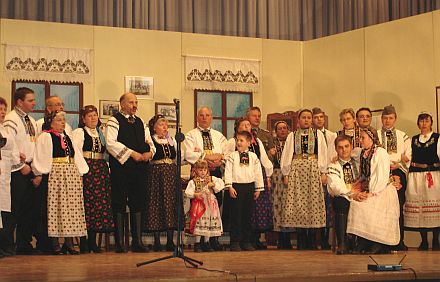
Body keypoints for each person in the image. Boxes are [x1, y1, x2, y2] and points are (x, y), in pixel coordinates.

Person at [31, 111, 89, 255]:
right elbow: (41, 156)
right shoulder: (46, 136)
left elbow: (75, 155)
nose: (62, 122)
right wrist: (40, 172)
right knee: (56, 207)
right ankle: (55, 243)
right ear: (50, 122)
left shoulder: (67, 137)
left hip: (70, 173)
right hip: (56, 174)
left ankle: (69, 242)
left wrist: (79, 173)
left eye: (63, 120)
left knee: (70, 208)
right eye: (59, 120)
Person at [106, 93, 153, 253]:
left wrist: (150, 153)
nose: (134, 105)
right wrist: (132, 153)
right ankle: (119, 242)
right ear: (122, 104)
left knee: (138, 201)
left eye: (136, 102)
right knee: (119, 201)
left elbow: (150, 142)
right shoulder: (114, 120)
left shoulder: (140, 122)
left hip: (139, 168)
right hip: (122, 167)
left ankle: (137, 241)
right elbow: (111, 143)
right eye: (131, 102)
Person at [347, 126, 400, 254]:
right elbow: (351, 155)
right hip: (370, 188)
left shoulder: (380, 152)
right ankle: (364, 241)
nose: (360, 140)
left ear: (371, 138)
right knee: (357, 204)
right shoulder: (363, 152)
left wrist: (373, 192)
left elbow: (381, 175)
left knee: (368, 206)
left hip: (382, 190)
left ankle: (378, 243)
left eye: (363, 137)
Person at [280, 109, 327, 250]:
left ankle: (312, 239)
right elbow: (287, 154)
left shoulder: (318, 135)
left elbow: (323, 153)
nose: (306, 120)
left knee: (312, 202)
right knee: (298, 201)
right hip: (297, 171)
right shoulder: (292, 136)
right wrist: (286, 173)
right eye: (303, 117)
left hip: (313, 169)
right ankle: (301, 238)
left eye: (309, 117)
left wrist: (323, 172)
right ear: (298, 120)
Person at [225, 117, 273, 249]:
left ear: (249, 142)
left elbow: (258, 173)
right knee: (236, 215)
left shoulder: (253, 157)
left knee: (248, 215)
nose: (239, 143)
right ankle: (235, 241)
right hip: (236, 187)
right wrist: (229, 186)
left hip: (249, 187)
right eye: (238, 141)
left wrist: (258, 188)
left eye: (242, 141)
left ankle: (246, 241)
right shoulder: (232, 156)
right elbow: (228, 171)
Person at [72, 105, 114, 253]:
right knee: (86, 204)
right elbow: (76, 152)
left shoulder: (100, 133)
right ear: (83, 119)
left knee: (97, 206)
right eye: (89, 116)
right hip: (87, 168)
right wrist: (81, 172)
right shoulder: (79, 132)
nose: (93, 118)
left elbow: (106, 153)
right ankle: (84, 242)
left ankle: (93, 242)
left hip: (100, 169)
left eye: (95, 115)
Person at [183, 107, 227, 250]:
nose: (204, 118)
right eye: (201, 115)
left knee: (215, 206)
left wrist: (219, 160)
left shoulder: (219, 135)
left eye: (207, 115)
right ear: (197, 117)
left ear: (211, 117)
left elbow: (226, 154)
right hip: (197, 176)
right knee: (198, 207)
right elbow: (189, 155)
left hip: (215, 174)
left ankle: (213, 239)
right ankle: (198, 241)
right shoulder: (191, 135)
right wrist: (209, 157)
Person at [3, 87, 40, 255]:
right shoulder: (11, 119)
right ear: (19, 102)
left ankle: (24, 244)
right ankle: (7, 245)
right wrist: (20, 165)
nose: (34, 103)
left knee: (29, 209)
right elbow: (9, 146)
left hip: (30, 168)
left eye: (34, 100)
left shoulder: (31, 120)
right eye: (30, 100)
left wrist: (35, 169)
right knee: (13, 209)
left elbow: (34, 144)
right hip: (16, 170)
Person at [404, 112, 440, 251]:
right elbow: (408, 156)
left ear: (431, 123)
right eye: (421, 121)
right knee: (420, 208)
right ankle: (423, 240)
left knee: (434, 206)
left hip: (433, 176)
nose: (424, 124)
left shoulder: (437, 138)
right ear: (418, 123)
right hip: (416, 176)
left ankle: (436, 240)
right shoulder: (413, 139)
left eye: (427, 121)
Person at [377, 105, 411, 251]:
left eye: (391, 118)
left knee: (398, 206)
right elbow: (377, 154)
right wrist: (398, 157)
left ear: (395, 119)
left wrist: (399, 163)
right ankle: (383, 241)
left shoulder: (403, 136)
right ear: (381, 119)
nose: (388, 121)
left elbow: (408, 157)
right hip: (381, 174)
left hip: (398, 173)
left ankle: (399, 240)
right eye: (385, 118)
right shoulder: (376, 135)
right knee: (382, 207)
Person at [144, 114, 179, 252]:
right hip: (156, 174)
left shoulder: (171, 141)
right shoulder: (151, 140)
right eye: (161, 124)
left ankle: (170, 241)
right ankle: (157, 241)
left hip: (170, 174)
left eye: (166, 124)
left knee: (170, 204)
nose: (165, 127)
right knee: (156, 204)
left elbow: (177, 157)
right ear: (154, 127)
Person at [327, 135, 360, 254]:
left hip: (359, 195)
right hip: (343, 196)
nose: (344, 150)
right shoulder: (333, 166)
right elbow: (335, 187)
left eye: (347, 146)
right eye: (340, 147)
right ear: (336, 149)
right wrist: (351, 194)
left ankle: (360, 243)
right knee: (341, 203)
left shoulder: (358, 163)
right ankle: (342, 243)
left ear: (351, 147)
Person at [185, 159, 224, 252]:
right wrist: (195, 194)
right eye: (200, 170)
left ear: (207, 170)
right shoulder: (194, 181)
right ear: (196, 170)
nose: (202, 172)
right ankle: (197, 243)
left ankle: (206, 242)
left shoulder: (211, 178)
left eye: (204, 170)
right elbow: (188, 192)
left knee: (209, 222)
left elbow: (221, 185)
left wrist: (213, 184)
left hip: (210, 205)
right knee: (200, 222)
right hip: (200, 205)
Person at [312, 107, 337, 250]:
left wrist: (327, 172)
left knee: (328, 206)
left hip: (327, 173)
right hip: (314, 172)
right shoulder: (310, 135)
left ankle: (326, 238)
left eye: (321, 117)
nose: (319, 119)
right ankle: (317, 237)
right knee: (316, 206)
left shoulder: (332, 135)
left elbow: (332, 155)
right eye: (316, 117)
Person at [0, 97, 21, 258]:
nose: (2, 113)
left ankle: (5, 245)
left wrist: (17, 158)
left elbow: (11, 147)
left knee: (5, 209)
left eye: (3, 110)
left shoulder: (4, 129)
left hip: (5, 172)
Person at [270, 121, 291, 249]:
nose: (282, 130)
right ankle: (280, 239)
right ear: (276, 131)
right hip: (276, 176)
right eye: (279, 129)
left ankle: (287, 238)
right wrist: (270, 154)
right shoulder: (273, 145)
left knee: (288, 205)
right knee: (277, 205)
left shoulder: (292, 143)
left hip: (289, 176)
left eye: (284, 128)